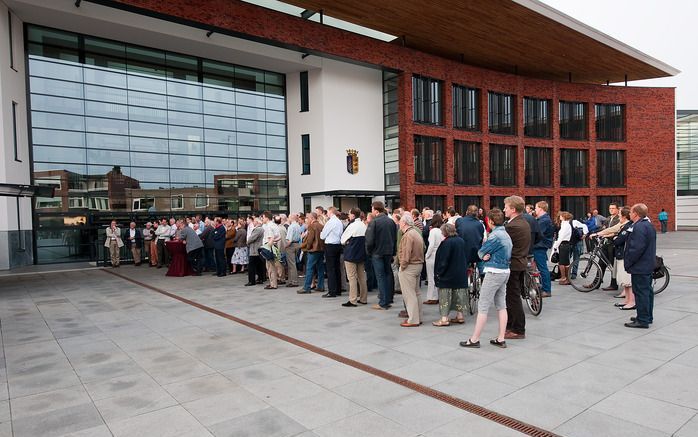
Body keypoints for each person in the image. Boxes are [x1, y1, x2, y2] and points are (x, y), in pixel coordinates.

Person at [460, 208, 512, 348]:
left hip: (494, 272)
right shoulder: (505, 234)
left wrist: (484, 255)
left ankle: (474, 339)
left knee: (483, 306)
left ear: (490, 221)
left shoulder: (495, 236)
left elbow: (481, 251)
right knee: (501, 305)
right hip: (505, 271)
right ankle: (501, 338)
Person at [623, 203, 657, 329]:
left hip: (640, 266)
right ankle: (646, 316)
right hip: (646, 265)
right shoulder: (647, 225)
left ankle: (642, 320)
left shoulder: (639, 227)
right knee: (647, 292)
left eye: (631, 212)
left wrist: (629, 262)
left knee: (641, 292)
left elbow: (636, 248)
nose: (630, 214)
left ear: (636, 213)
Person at [503, 196, 531, 340]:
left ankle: (518, 329)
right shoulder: (523, 222)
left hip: (513, 264)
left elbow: (504, 246)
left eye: (506, 207)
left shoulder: (512, 226)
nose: (504, 210)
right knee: (512, 297)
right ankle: (512, 326)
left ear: (513, 209)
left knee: (512, 298)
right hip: (519, 263)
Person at [431, 223, 468, 326]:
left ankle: (444, 319)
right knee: (459, 295)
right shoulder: (461, 241)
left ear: (445, 232)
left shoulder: (446, 243)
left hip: (448, 275)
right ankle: (460, 316)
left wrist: (439, 273)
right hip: (460, 273)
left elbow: (443, 260)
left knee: (445, 297)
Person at [365, 201, 397, 310]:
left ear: (376, 210)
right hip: (388, 252)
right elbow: (395, 238)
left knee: (381, 277)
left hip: (377, 253)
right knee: (388, 275)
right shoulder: (391, 222)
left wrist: (369, 252)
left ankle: (383, 302)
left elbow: (369, 241)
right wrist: (393, 252)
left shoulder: (374, 222)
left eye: (372, 209)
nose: (372, 211)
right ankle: (388, 299)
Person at [397, 214, 424, 327]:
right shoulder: (415, 233)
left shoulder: (408, 235)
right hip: (418, 265)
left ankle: (413, 319)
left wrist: (402, 266)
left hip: (409, 267)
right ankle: (418, 317)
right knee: (416, 293)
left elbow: (406, 253)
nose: (399, 224)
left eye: (400, 222)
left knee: (409, 294)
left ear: (404, 223)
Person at [341, 208, 368, 307]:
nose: (348, 215)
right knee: (362, 277)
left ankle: (352, 300)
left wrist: (347, 242)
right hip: (361, 253)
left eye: (349, 214)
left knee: (352, 277)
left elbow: (342, 240)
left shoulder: (352, 226)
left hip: (351, 254)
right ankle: (363, 298)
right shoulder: (363, 224)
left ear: (352, 215)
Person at [611, 207, 634, 310]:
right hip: (620, 255)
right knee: (625, 282)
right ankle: (627, 300)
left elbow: (619, 240)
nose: (619, 216)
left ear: (624, 216)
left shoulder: (627, 226)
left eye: (620, 214)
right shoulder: (624, 226)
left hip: (624, 255)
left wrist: (615, 238)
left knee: (628, 281)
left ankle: (631, 302)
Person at [298, 212, 326, 294]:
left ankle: (307, 287)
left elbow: (310, 240)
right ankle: (321, 286)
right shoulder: (321, 226)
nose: (307, 219)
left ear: (312, 218)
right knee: (320, 269)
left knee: (309, 268)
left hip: (313, 250)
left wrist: (307, 247)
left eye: (308, 218)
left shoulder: (311, 226)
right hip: (321, 249)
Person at [320, 206, 344, 298]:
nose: (327, 214)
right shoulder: (339, 222)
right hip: (338, 245)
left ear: (331, 212)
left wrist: (321, 233)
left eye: (328, 213)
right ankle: (338, 289)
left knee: (330, 269)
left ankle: (332, 291)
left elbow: (323, 235)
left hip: (330, 245)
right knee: (337, 268)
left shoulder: (330, 222)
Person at [533, 201, 554, 297]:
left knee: (542, 268)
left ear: (541, 209)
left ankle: (546, 290)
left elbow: (538, 234)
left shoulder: (543, 220)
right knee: (542, 268)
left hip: (539, 246)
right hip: (540, 245)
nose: (535, 210)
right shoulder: (543, 219)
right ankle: (544, 287)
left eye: (536, 208)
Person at [423, 213, 444, 305]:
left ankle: (432, 297)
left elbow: (431, 245)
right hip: (440, 255)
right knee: (438, 276)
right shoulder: (441, 231)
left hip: (432, 255)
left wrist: (426, 255)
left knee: (431, 277)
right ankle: (438, 296)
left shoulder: (433, 231)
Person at [552, 211, 574, 285]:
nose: (560, 216)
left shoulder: (565, 225)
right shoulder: (567, 225)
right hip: (566, 244)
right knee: (566, 262)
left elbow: (560, 237)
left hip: (563, 244)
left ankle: (563, 277)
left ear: (564, 217)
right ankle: (567, 278)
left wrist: (555, 246)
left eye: (561, 216)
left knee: (561, 262)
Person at [245, 217, 265, 286]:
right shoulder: (262, 229)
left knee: (251, 266)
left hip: (254, 250)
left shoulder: (258, 229)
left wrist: (247, 242)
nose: (253, 223)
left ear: (257, 222)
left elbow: (252, 238)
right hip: (258, 249)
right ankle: (260, 278)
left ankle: (251, 281)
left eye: (254, 221)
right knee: (259, 265)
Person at [284, 213, 302, 287]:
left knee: (291, 264)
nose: (288, 219)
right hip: (297, 244)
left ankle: (294, 281)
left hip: (291, 245)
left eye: (289, 217)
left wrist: (285, 246)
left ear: (291, 218)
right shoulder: (298, 225)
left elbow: (289, 239)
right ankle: (291, 280)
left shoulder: (291, 226)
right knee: (293, 263)